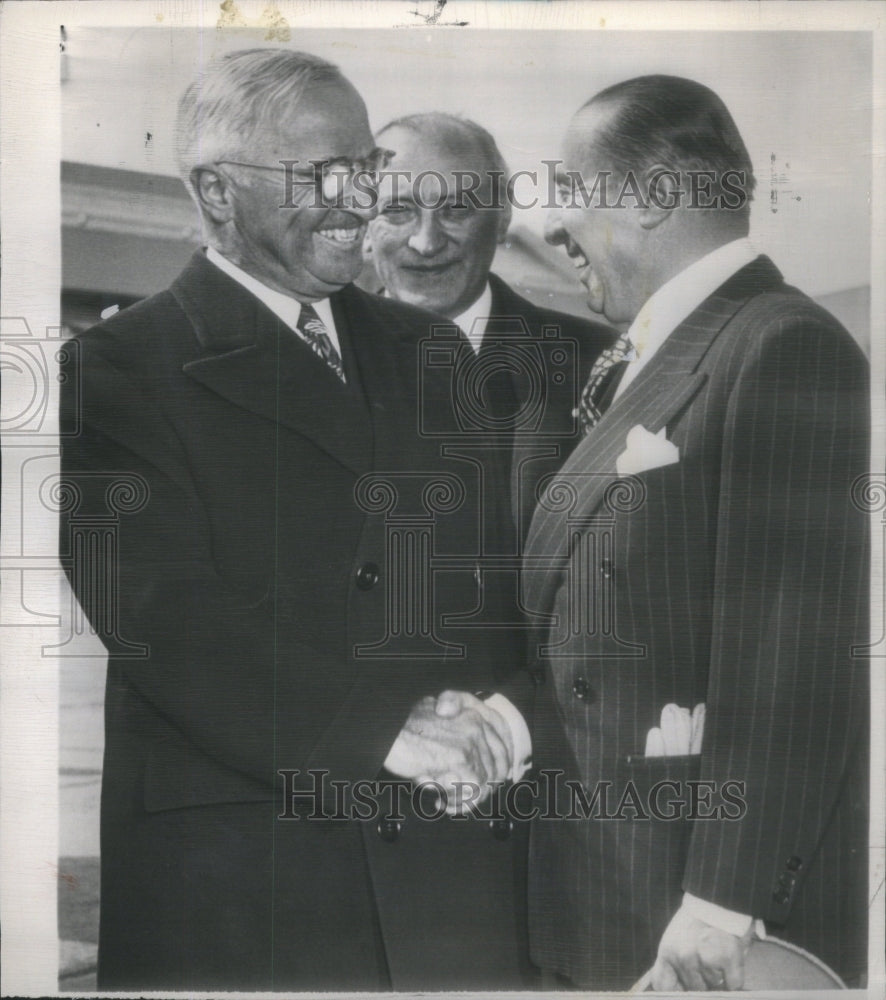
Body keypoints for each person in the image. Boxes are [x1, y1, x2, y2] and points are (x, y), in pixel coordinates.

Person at [59, 48, 531, 991]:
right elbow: (166, 620)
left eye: (367, 169)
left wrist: (493, 716)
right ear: (217, 192)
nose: (360, 201)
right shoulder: (112, 369)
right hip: (246, 872)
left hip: (442, 853)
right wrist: (383, 732)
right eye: (325, 174)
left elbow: (495, 578)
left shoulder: (431, 350)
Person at [522, 75, 869, 990]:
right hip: (612, 885)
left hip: (693, 919)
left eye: (573, 189)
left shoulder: (782, 345)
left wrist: (725, 900)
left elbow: (793, 651)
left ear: (658, 198)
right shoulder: (668, 352)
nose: (554, 224)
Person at [364, 112, 615, 544]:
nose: (426, 242)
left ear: (501, 220)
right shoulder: (308, 360)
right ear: (364, 224)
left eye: (455, 209)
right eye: (398, 210)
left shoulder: (599, 364)